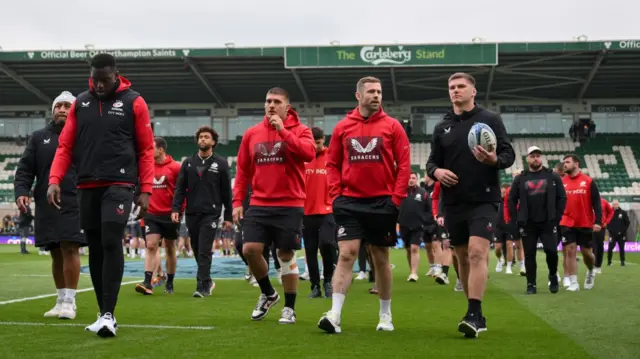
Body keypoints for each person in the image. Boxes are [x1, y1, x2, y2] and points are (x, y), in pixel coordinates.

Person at [47, 53, 154, 337]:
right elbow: (65, 146)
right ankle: (103, 312)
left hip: (120, 184)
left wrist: (146, 189)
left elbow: (145, 149)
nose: (100, 85)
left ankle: (108, 313)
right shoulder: (80, 103)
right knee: (94, 246)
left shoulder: (134, 102)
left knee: (110, 240)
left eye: (105, 80)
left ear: (116, 74)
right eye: (95, 80)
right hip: (87, 185)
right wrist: (54, 179)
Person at [318, 76, 410, 334]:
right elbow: (332, 163)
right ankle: (334, 315)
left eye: (379, 91)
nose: (376, 95)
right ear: (358, 96)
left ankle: (385, 315)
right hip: (349, 202)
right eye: (371, 91)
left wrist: (396, 199)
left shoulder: (393, 126)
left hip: (383, 201)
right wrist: (335, 195)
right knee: (346, 254)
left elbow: (404, 165)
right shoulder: (342, 127)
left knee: (380, 257)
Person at [426, 72, 515, 338]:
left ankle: (474, 313)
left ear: (473, 91)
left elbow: (508, 154)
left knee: (477, 252)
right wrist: (437, 173)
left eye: (461, 86)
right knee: (461, 257)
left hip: (484, 199)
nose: (455, 91)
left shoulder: (490, 120)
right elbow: (431, 163)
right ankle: (474, 311)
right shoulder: (442, 127)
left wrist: (493, 160)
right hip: (453, 201)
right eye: (451, 87)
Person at [232, 87, 315, 324]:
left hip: (290, 203)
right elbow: (243, 171)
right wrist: (238, 201)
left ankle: (289, 308)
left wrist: (284, 131)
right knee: (249, 249)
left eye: (276, 101)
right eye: (268, 101)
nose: (271, 105)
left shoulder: (301, 130)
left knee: (285, 255)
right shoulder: (252, 133)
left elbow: (308, 153)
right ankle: (268, 293)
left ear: (287, 107)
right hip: (259, 202)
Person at [14, 91, 86, 319]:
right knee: (55, 252)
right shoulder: (38, 137)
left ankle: (70, 302)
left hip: (75, 201)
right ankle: (60, 299)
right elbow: (25, 169)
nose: (62, 109)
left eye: (67, 105)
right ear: (53, 110)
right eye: (59, 106)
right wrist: (22, 192)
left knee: (70, 248)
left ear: (74, 110)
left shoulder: (84, 135)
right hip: (46, 202)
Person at [172, 126, 232, 298]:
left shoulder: (220, 163)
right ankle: (208, 280)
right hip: (192, 213)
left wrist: (228, 216)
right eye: (201, 137)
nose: (203, 139)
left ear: (213, 141)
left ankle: (201, 286)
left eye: (207, 137)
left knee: (205, 248)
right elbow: (180, 189)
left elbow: (226, 191)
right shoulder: (188, 163)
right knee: (197, 249)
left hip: (211, 213)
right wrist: (176, 208)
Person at [507, 146, 566, 294]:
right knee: (529, 254)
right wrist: (517, 219)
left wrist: (557, 216)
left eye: (538, 155)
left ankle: (553, 275)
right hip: (528, 223)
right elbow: (511, 199)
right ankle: (531, 284)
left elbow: (562, 197)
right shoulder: (520, 178)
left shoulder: (552, 176)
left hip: (548, 222)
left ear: (542, 158)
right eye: (532, 156)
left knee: (552, 251)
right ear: (527, 159)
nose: (536, 158)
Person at [135, 137, 182, 295]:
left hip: (170, 214)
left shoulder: (175, 167)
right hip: (151, 214)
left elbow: (182, 191)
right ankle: (147, 282)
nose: (149, 151)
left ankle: (170, 281)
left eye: (152, 148)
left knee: (170, 248)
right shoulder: (146, 167)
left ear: (161, 149)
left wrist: (179, 210)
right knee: (151, 245)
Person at [559, 154, 602, 292]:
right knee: (570, 250)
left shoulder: (588, 181)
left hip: (584, 222)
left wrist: (598, 221)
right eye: (564, 162)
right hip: (566, 222)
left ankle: (590, 271)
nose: (564, 164)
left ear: (576, 164)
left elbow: (597, 203)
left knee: (586, 253)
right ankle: (574, 282)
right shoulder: (562, 182)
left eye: (567, 162)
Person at [303, 127, 336, 298]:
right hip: (306, 211)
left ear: (323, 139)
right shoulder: (302, 158)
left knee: (327, 245)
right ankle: (315, 286)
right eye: (312, 143)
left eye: (318, 142)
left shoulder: (331, 156)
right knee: (310, 250)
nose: (315, 146)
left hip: (327, 210)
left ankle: (328, 281)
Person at [398, 172, 433, 282]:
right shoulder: (401, 192)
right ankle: (411, 271)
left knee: (414, 248)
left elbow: (429, 210)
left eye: (413, 178)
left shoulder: (423, 193)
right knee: (408, 249)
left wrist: (424, 220)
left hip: (418, 226)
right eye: (409, 178)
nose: (411, 180)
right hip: (404, 225)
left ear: (417, 179)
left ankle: (414, 273)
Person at [593, 197, 613, 273]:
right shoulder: (587, 200)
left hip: (600, 227)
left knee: (599, 246)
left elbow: (611, 212)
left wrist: (606, 222)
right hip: (590, 227)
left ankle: (598, 266)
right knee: (592, 247)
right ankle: (593, 265)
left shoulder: (604, 202)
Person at [607, 199, 630, 266]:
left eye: (616, 204)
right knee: (610, 248)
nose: (615, 205)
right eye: (614, 204)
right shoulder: (609, 213)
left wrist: (622, 231)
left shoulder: (623, 213)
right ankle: (609, 262)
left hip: (621, 235)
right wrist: (611, 230)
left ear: (618, 204)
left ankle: (622, 262)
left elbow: (627, 223)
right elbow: (607, 223)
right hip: (612, 234)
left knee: (622, 248)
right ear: (612, 205)